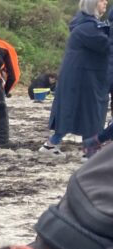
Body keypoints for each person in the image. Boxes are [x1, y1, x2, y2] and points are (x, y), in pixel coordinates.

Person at [40, 0, 109, 158]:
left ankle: (53, 144)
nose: (105, 2)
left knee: (75, 111)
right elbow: (106, 45)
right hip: (83, 76)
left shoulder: (85, 24)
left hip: (82, 75)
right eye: (101, 0)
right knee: (90, 112)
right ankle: (89, 151)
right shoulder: (88, 27)